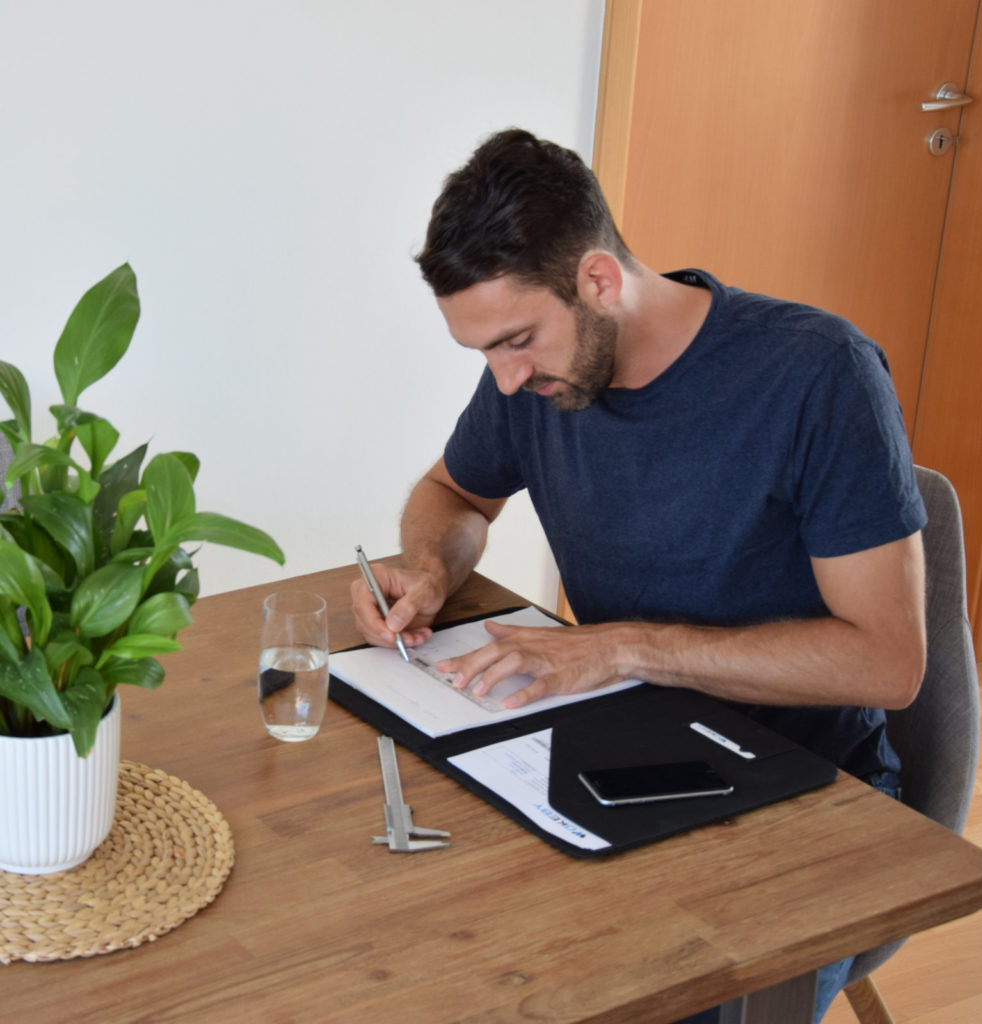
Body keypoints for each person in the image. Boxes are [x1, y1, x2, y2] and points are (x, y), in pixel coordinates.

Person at [351, 128, 926, 1023]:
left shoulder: (818, 374)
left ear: (599, 280)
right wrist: (428, 565)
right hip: (615, 749)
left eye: (515, 342)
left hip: (803, 792)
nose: (504, 381)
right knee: (418, 948)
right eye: (484, 356)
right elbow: (454, 490)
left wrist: (620, 649)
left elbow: (887, 663)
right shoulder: (541, 379)